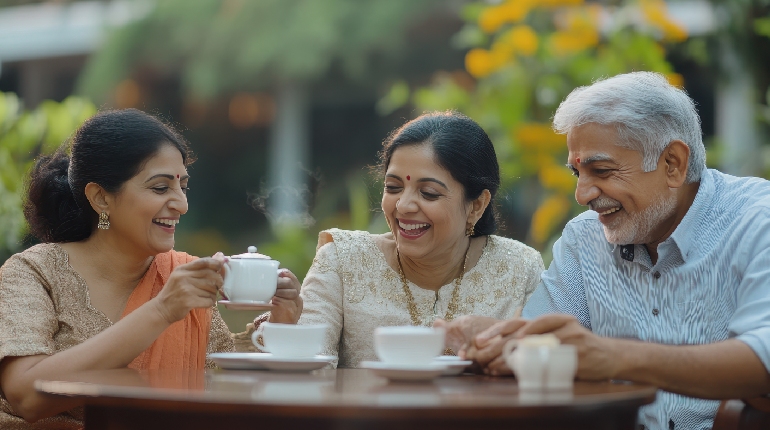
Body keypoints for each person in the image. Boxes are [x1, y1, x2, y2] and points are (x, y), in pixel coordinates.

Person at [441, 72, 770, 430]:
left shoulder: (757, 220)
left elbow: (762, 361)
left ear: (672, 163)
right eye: (577, 174)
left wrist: (615, 357)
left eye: (602, 170)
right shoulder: (585, 239)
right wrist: (498, 340)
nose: (582, 195)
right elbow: (546, 343)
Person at [0, 109, 238, 428]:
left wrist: (280, 323)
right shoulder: (35, 272)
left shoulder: (181, 277)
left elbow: (228, 391)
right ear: (100, 198)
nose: (181, 204)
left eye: (183, 187)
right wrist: (162, 310)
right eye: (160, 187)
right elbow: (26, 395)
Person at [250, 111, 544, 368]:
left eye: (428, 193)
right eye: (393, 188)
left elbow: (542, 368)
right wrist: (286, 323)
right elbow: (310, 373)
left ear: (477, 205)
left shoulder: (520, 267)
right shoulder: (343, 260)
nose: (403, 206)